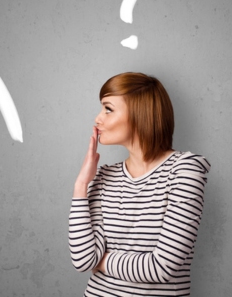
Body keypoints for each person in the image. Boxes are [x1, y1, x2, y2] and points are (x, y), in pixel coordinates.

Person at [69, 72, 211, 296]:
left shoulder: (184, 170)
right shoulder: (103, 176)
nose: (98, 118)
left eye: (108, 109)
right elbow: (83, 260)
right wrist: (80, 187)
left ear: (139, 113)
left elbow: (161, 267)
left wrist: (102, 261)